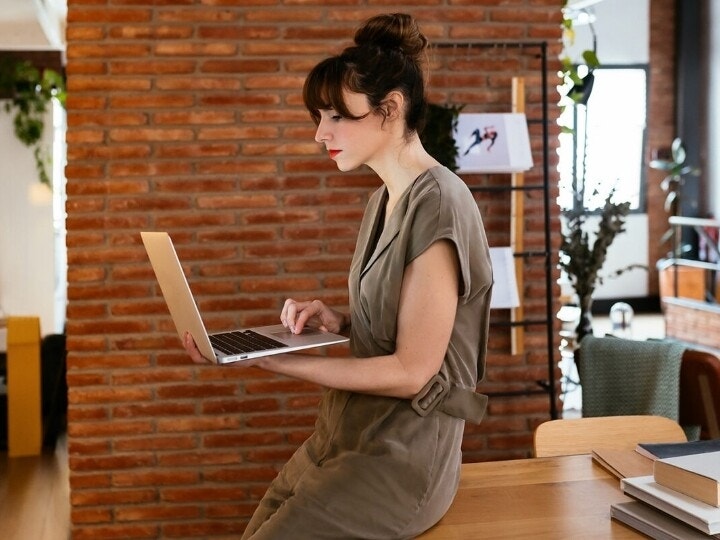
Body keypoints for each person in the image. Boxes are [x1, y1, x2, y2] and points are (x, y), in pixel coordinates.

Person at [183, 12, 493, 539]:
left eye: (336, 117)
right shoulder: (383, 201)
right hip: (348, 433)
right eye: (319, 116)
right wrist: (342, 321)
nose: (320, 132)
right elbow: (407, 323)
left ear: (389, 109)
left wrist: (274, 360)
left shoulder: (441, 203)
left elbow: (412, 371)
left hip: (402, 458)